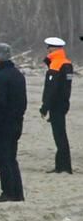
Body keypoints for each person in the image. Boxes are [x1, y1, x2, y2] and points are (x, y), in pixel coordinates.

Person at [0, 43, 27, 202]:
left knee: (4, 159)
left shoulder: (0, 77)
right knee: (12, 158)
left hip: (4, 125)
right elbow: (23, 102)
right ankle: (17, 193)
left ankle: (8, 192)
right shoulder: (17, 74)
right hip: (17, 122)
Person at [41, 37, 74, 174]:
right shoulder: (67, 64)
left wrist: (45, 107)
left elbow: (51, 89)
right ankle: (64, 165)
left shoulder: (56, 64)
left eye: (49, 47)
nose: (47, 50)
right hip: (63, 104)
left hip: (56, 105)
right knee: (61, 135)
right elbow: (66, 88)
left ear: (53, 48)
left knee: (59, 136)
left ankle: (63, 166)